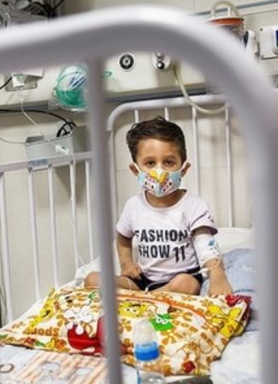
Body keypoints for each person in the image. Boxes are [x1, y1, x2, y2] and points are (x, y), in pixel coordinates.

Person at [85, 117, 233, 296]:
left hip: (181, 278)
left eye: (169, 162)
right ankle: (148, 296)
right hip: (144, 280)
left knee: (185, 284)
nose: (160, 173)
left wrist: (218, 276)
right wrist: (127, 263)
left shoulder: (194, 206)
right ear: (135, 170)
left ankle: (141, 298)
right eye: (150, 163)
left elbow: (205, 245)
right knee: (92, 279)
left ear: (183, 169)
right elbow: (123, 237)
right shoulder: (133, 206)